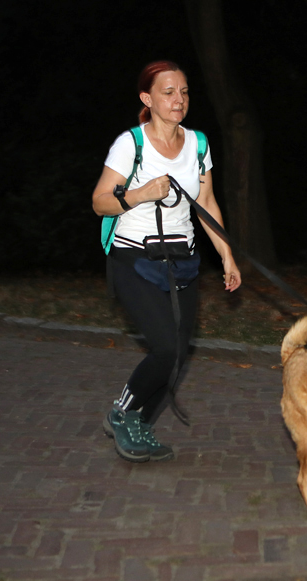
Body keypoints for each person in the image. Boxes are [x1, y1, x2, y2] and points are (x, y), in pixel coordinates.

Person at [92, 61, 241, 462]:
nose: (179, 100)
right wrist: (140, 193)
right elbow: (100, 202)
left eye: (185, 92)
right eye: (169, 92)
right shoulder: (131, 144)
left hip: (182, 261)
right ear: (148, 98)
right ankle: (121, 412)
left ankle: (140, 425)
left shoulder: (198, 144)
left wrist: (227, 255)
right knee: (164, 347)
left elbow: (206, 203)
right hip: (133, 257)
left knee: (177, 354)